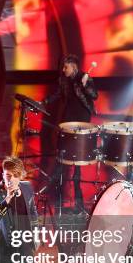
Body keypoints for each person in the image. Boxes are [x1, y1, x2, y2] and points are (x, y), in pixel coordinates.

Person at [43, 54, 98, 213]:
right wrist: (44, 102)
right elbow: (59, 94)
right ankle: (59, 170)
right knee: (63, 143)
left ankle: (77, 175)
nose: (63, 69)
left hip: (82, 116)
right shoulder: (64, 80)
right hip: (69, 115)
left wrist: (86, 86)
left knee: (78, 147)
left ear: (73, 67)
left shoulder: (84, 77)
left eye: (65, 67)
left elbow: (94, 95)